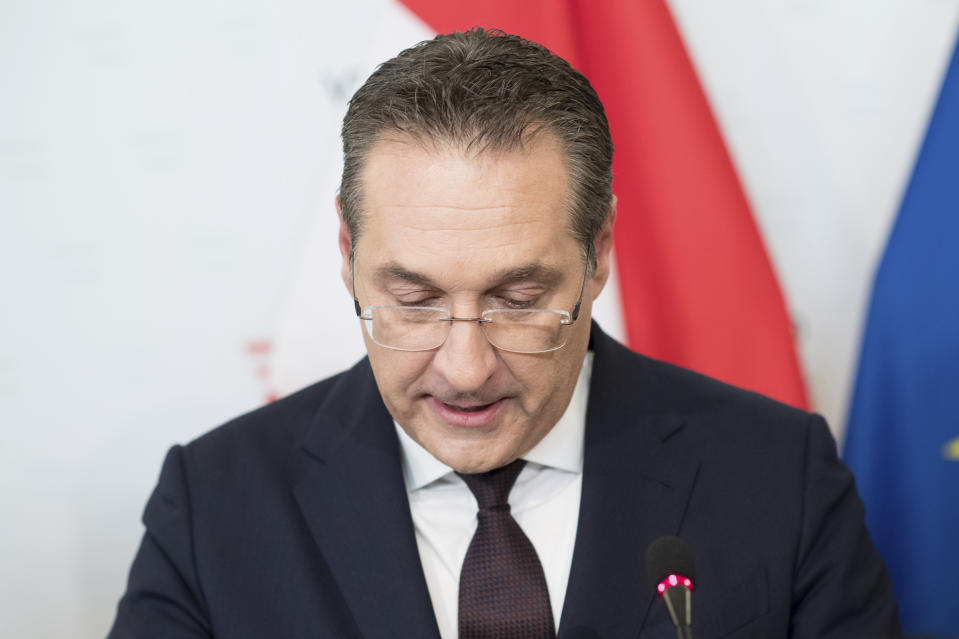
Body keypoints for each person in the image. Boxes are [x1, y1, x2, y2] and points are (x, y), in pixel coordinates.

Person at [109, 28, 903, 639]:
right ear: (349, 256)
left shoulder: (778, 475)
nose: (463, 369)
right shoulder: (213, 504)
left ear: (597, 256)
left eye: (518, 298)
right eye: (412, 299)